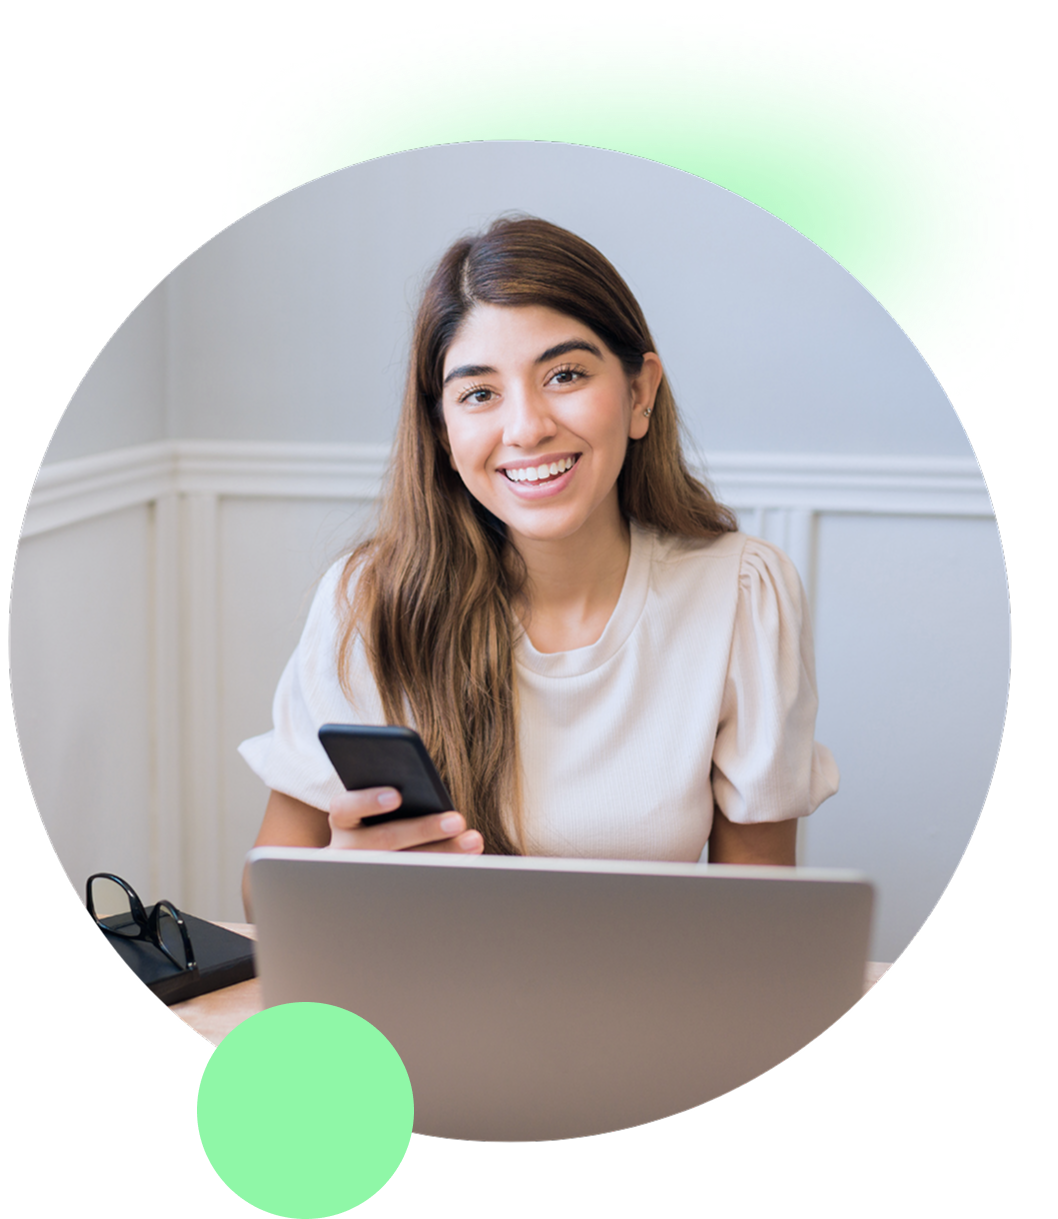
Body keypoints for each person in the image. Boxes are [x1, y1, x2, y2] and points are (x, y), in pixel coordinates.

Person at [239, 215, 839, 921]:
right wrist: (337, 880)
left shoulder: (741, 593)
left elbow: (759, 916)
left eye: (565, 374)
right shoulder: (367, 600)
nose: (526, 427)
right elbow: (262, 892)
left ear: (640, 393)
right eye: (479, 393)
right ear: (443, 430)